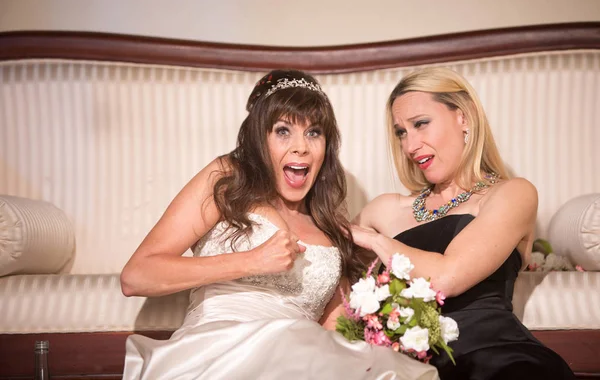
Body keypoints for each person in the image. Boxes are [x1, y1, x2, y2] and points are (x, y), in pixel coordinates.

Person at [120, 69, 439, 380]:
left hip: (305, 360)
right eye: (283, 130)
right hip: (221, 353)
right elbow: (136, 277)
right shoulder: (227, 180)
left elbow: (334, 334)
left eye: (314, 132)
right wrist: (250, 261)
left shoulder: (331, 227)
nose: (301, 146)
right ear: (260, 139)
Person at [351, 67, 575, 380]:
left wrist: (376, 242)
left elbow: (446, 276)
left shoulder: (512, 194)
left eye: (421, 124)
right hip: (410, 367)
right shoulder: (386, 208)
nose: (410, 145)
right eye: (401, 132)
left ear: (463, 118)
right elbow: (328, 260)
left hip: (496, 359)